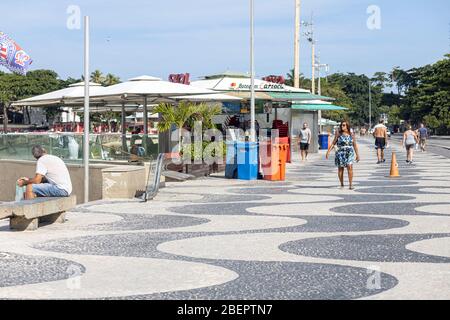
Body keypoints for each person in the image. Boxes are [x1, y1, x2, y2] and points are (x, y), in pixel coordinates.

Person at [326, 121, 360, 190]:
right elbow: (333, 143)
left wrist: (357, 155)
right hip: (340, 153)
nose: (342, 126)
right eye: (341, 125)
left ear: (347, 126)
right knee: (340, 169)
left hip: (349, 152)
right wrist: (328, 152)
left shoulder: (351, 134)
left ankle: (350, 184)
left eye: (344, 125)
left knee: (350, 167)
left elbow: (355, 145)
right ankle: (342, 184)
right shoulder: (338, 134)